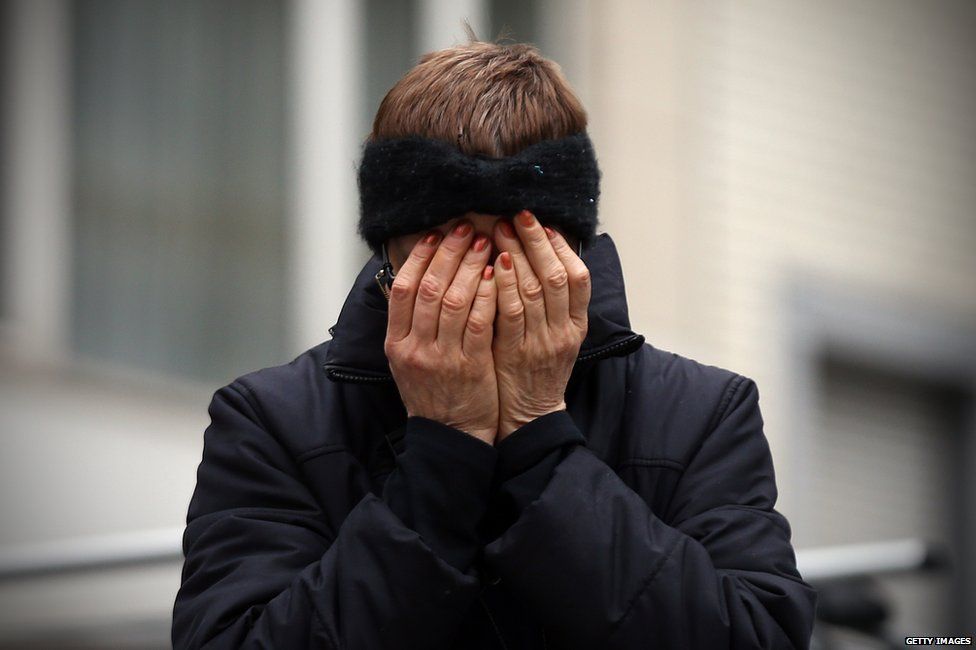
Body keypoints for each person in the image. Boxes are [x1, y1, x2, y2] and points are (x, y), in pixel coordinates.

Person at [172, 40, 816, 649]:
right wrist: (443, 451)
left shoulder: (700, 413)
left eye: (512, 243)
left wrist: (541, 439)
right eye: (448, 246)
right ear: (389, 248)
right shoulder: (273, 421)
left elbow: (755, 635)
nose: (474, 286)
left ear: (570, 246)